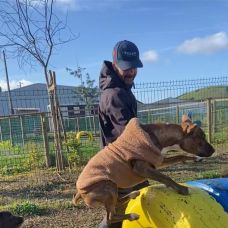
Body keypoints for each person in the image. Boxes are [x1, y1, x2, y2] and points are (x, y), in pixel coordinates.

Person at [98, 40, 149, 227]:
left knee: (141, 202)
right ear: (114, 65)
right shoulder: (114, 95)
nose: (131, 71)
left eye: (134, 67)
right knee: (116, 216)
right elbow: (129, 133)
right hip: (119, 167)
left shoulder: (122, 90)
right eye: (126, 67)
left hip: (127, 163)